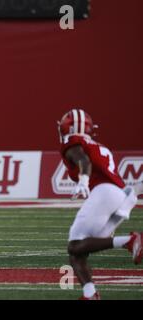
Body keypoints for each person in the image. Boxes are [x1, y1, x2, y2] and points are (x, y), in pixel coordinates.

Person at [58, 108, 143, 300]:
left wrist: (83, 181)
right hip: (120, 196)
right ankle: (90, 294)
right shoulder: (96, 145)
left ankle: (129, 240)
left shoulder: (71, 141)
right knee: (80, 251)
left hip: (104, 193)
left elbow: (84, 161)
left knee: (74, 245)